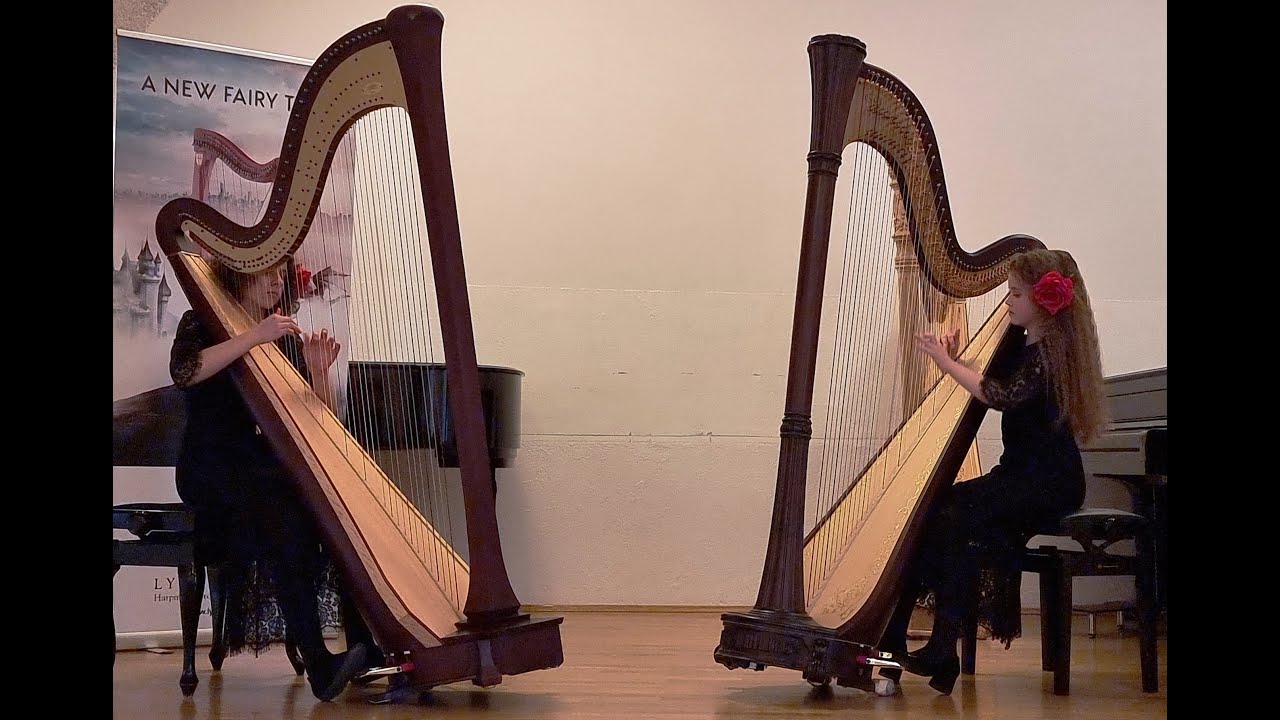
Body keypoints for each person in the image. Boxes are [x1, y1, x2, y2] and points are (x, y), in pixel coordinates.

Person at [877, 248, 1106, 695]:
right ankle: (910, 642)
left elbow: (1000, 395)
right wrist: (959, 358)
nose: (1007, 302)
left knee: (952, 515)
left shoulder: (1050, 355)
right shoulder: (1024, 343)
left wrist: (947, 366)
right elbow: (997, 381)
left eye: (1015, 294)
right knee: (937, 512)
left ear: (1043, 301)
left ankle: (939, 648)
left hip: (1049, 482)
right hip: (1019, 473)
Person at [169, 257, 372, 701]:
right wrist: (253, 337)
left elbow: (321, 417)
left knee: (330, 510)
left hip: (256, 465)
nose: (278, 281)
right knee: (285, 514)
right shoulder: (201, 322)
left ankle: (363, 646)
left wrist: (318, 371)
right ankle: (320, 663)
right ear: (241, 273)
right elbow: (185, 373)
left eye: (283, 273)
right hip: (208, 466)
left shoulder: (278, 332)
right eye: (269, 272)